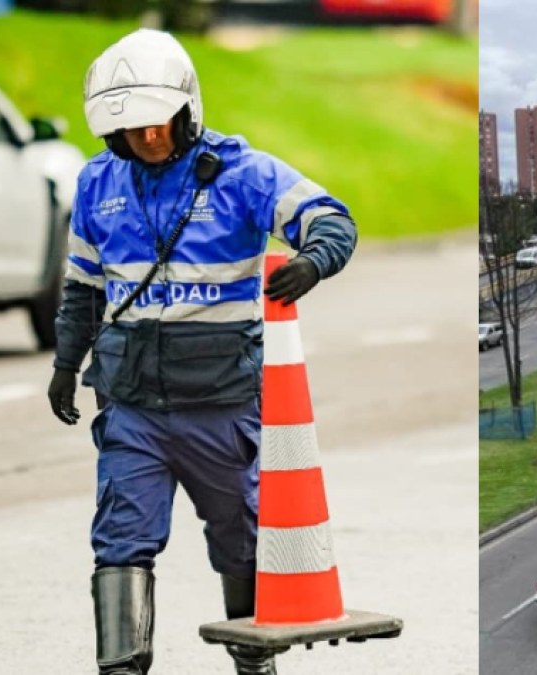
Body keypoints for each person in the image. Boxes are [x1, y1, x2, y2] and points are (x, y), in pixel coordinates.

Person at [46, 29, 357, 675]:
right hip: (132, 405)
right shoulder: (96, 183)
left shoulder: (245, 173)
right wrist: (64, 365)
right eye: (133, 130)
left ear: (186, 110)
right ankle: (122, 669)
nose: (150, 138)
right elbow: (81, 291)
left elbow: (333, 218)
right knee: (121, 540)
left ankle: (253, 664)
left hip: (222, 405)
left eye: (158, 125)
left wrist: (312, 262)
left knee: (241, 543)